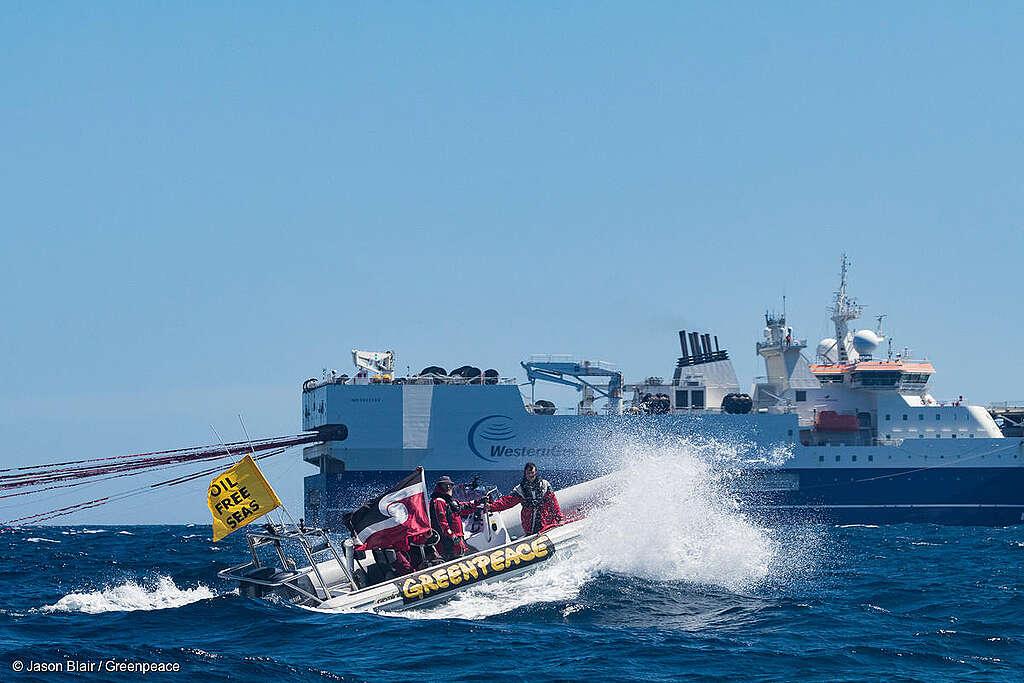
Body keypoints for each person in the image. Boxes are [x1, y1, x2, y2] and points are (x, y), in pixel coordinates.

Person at [489, 462, 562, 535]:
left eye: (532, 473)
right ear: (525, 473)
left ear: (535, 472)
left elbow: (553, 502)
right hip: (530, 526)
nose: (530, 475)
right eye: (528, 473)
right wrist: (491, 507)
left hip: (547, 522)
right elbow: (507, 502)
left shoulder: (544, 485)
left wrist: (559, 518)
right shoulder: (520, 489)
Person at [430, 475, 476, 559]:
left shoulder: (450, 501)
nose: (448, 487)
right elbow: (441, 522)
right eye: (445, 484)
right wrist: (451, 536)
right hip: (449, 543)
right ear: (439, 486)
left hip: (457, 541)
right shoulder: (439, 501)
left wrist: (478, 502)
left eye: (450, 485)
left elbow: (462, 508)